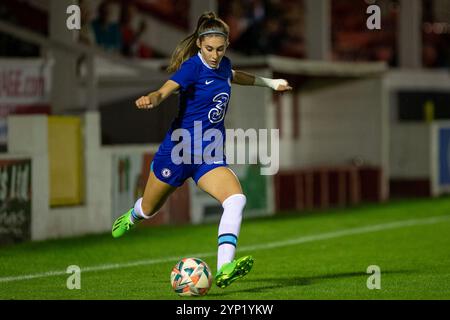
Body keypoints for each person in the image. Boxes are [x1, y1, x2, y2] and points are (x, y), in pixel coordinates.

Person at [111, 11, 292, 289]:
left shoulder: (223, 65)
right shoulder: (192, 68)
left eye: (220, 49)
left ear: (227, 46)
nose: (214, 55)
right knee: (149, 209)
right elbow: (166, 89)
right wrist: (153, 98)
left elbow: (235, 76)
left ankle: (224, 268)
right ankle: (133, 215)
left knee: (235, 200)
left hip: (209, 155)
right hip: (178, 151)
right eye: (209, 49)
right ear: (199, 44)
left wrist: (270, 83)